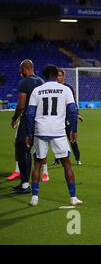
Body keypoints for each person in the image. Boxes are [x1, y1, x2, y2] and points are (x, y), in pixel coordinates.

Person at [25, 65, 82, 206]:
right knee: (66, 163)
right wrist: (73, 130)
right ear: (57, 75)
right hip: (58, 131)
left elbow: (30, 113)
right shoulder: (65, 89)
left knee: (37, 163)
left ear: (44, 76)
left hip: (41, 130)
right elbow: (73, 111)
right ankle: (73, 198)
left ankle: (34, 198)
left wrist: (28, 133)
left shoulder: (36, 90)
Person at [9, 60, 45, 193]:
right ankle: (25, 183)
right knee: (27, 150)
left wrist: (14, 118)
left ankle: (25, 184)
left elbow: (21, 105)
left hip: (27, 120)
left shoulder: (24, 82)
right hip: (39, 120)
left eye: (21, 70)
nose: (20, 72)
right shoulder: (41, 81)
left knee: (20, 147)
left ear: (25, 69)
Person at [52, 68, 84, 166]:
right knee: (57, 140)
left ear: (63, 76)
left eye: (59, 75)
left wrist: (77, 113)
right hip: (57, 118)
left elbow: (73, 103)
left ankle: (77, 158)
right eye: (56, 75)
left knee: (72, 139)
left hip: (68, 117)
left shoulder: (68, 88)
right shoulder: (53, 89)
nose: (58, 77)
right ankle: (57, 159)